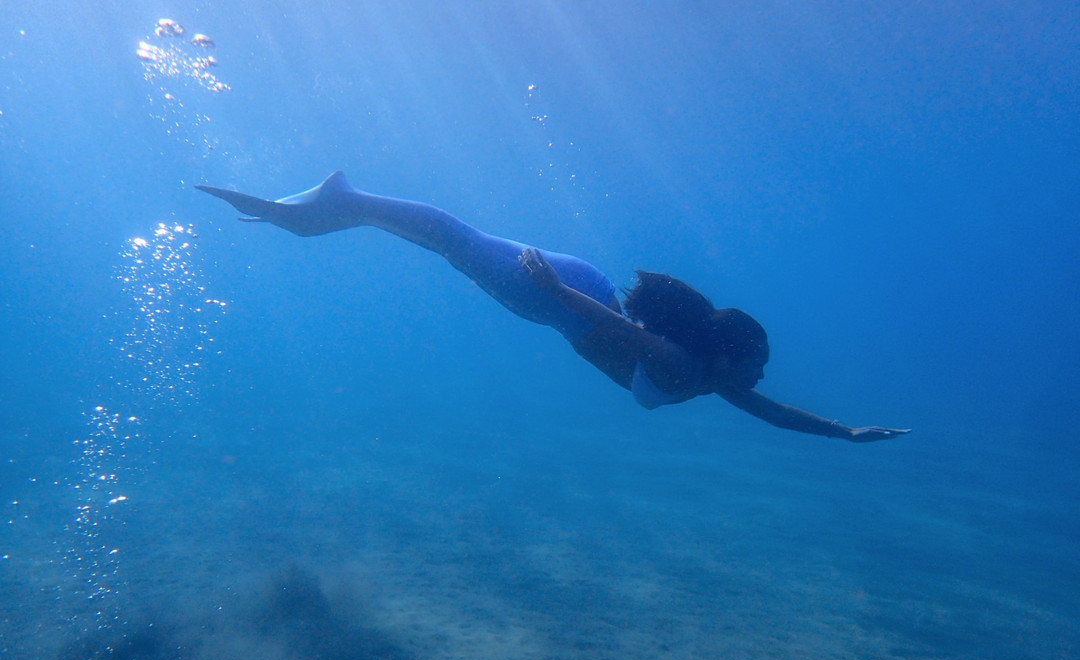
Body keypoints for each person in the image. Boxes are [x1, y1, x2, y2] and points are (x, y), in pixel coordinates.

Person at [196, 171, 908, 442]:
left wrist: (845, 434)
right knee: (449, 236)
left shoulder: (713, 380)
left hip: (574, 290)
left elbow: (777, 413)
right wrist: (553, 289)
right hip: (563, 297)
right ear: (725, 356)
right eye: (756, 366)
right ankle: (333, 206)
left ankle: (327, 208)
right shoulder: (688, 365)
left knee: (452, 239)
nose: (760, 379)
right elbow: (611, 326)